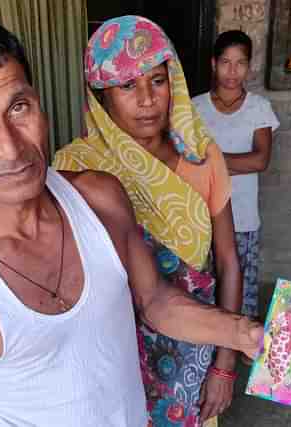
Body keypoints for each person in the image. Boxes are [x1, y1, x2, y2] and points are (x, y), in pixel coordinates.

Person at [0, 10, 265, 427]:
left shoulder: (99, 197)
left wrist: (242, 333)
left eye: (18, 107)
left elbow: (156, 301)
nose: (10, 149)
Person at [53, 16, 243, 426]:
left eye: (157, 81)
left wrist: (224, 366)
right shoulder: (75, 167)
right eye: (127, 85)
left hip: (195, 344)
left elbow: (227, 260)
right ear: (101, 93)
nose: (147, 99)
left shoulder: (202, 157)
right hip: (114, 357)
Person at [192, 31, 279, 322]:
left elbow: (260, 159)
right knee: (206, 282)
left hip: (242, 214)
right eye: (225, 62)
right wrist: (228, 164)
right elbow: (186, 160)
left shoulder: (259, 108)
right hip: (201, 214)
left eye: (240, 63)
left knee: (243, 282)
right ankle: (210, 341)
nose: (232, 71)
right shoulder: (195, 108)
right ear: (213, 64)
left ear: (249, 66)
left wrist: (212, 162)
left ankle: (242, 341)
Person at [266, 293, 291, 394]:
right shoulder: (282, 314)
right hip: (279, 342)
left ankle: (277, 382)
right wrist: (275, 328)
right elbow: (271, 326)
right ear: (290, 303)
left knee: (285, 365)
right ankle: (276, 381)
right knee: (276, 362)